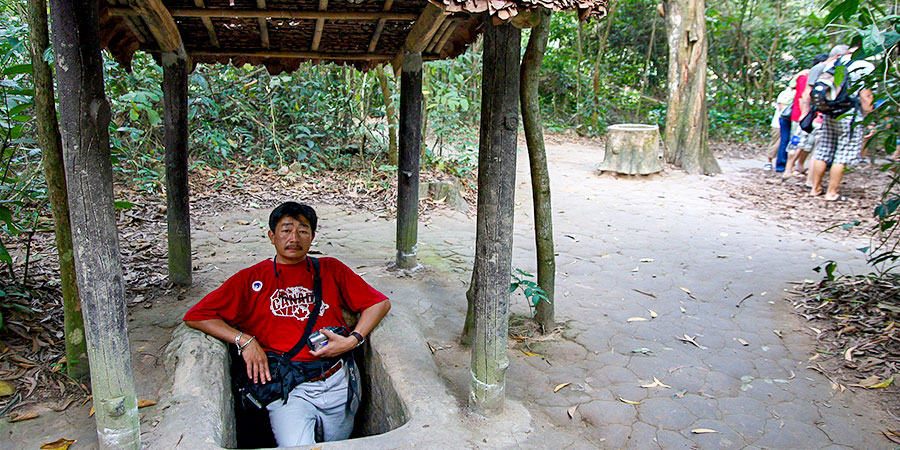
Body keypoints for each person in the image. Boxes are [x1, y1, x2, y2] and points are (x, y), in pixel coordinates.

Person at [184, 201, 391, 446]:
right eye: (286, 230)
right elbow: (197, 315)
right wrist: (245, 340)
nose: (294, 237)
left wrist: (352, 340)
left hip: (338, 380)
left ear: (312, 237)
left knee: (338, 444)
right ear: (272, 236)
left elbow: (379, 303)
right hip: (288, 389)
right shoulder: (251, 278)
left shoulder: (331, 269)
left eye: (303, 230)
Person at [802, 45, 875, 201]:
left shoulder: (836, 62)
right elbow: (866, 96)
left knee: (824, 149)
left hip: (829, 112)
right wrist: (870, 121)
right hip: (850, 114)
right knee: (842, 154)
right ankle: (831, 192)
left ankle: (815, 188)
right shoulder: (864, 66)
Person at [784, 53, 829, 178]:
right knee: (797, 142)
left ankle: (799, 166)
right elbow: (803, 95)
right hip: (803, 116)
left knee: (807, 145)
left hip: (811, 116)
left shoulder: (817, 77)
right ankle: (789, 169)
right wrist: (804, 114)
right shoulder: (807, 77)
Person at [765, 82, 795, 171]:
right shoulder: (785, 94)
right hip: (778, 123)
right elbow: (782, 108)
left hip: (789, 123)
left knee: (787, 143)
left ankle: (786, 163)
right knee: (776, 142)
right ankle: (769, 161)